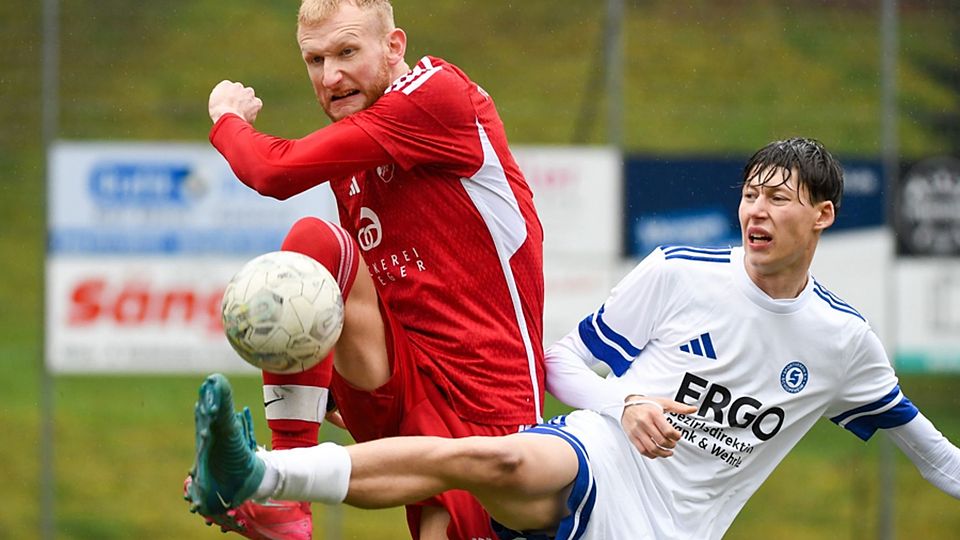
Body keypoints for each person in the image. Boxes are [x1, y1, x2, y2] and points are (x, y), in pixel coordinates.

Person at [187, 138, 960, 539]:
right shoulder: (681, 272)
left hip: (666, 527)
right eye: (750, 193)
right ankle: (263, 476)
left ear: (822, 216)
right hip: (596, 455)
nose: (757, 210)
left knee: (454, 456)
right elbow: (561, 361)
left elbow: (931, 453)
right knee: (482, 457)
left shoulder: (843, 342)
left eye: (780, 199)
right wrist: (625, 404)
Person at [188, 0, 546, 539]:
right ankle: (284, 489)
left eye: (347, 52)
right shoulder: (358, 148)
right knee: (313, 241)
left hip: (486, 399)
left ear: (394, 46)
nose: (331, 76)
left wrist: (227, 118)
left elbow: (273, 171)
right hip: (404, 375)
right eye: (315, 60)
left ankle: (274, 480)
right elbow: (364, 289)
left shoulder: (434, 96)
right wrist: (322, 387)